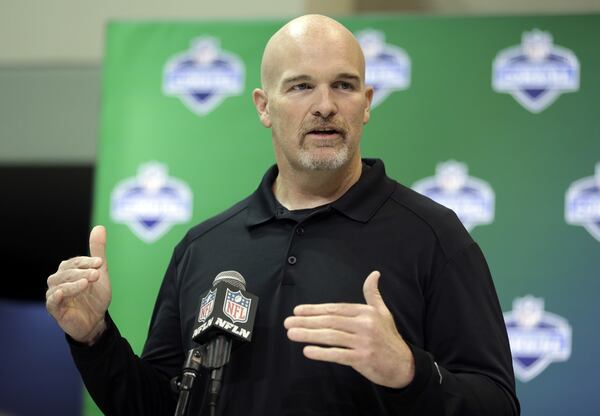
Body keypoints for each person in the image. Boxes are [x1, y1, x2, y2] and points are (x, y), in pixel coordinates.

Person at [46, 14, 519, 416]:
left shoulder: (433, 235)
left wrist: (410, 372)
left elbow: (497, 403)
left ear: (367, 104)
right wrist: (95, 339)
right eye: (300, 86)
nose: (325, 105)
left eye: (344, 85)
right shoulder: (204, 247)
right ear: (263, 106)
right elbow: (158, 406)